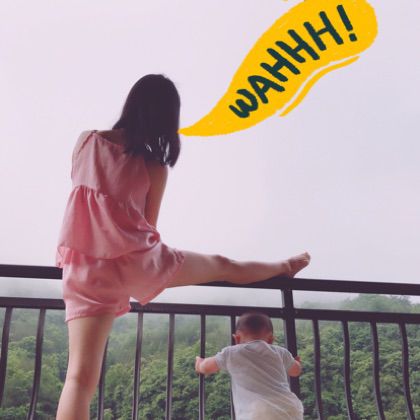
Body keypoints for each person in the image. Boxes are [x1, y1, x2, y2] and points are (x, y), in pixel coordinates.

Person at [55, 74, 310, 419]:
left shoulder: (86, 142)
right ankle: (284, 266)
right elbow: (148, 226)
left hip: (86, 265)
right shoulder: (153, 166)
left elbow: (82, 194)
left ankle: (284, 265)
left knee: (78, 378)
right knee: (223, 264)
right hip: (137, 261)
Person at [195, 312, 304, 420]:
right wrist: (296, 362)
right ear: (271, 339)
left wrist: (199, 364)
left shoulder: (231, 353)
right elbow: (295, 371)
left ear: (237, 338)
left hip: (257, 412)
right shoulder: (281, 352)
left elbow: (206, 367)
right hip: (289, 408)